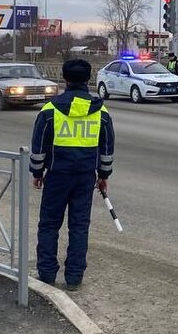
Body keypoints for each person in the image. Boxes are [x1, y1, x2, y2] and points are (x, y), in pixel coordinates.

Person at [29, 59, 115, 290]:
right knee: (79, 226)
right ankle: (74, 277)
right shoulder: (101, 111)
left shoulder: (50, 110)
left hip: (57, 176)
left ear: (64, 79)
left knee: (49, 225)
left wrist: (37, 172)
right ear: (88, 79)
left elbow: (38, 147)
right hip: (85, 177)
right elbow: (106, 148)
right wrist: (103, 174)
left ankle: (47, 274)